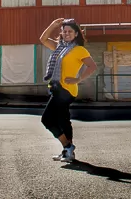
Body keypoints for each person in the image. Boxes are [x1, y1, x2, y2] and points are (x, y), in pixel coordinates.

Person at [39, 17, 97, 163]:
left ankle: (68, 146)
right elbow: (43, 39)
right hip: (55, 87)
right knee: (63, 120)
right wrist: (53, 24)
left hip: (66, 90)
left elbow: (92, 66)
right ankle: (68, 152)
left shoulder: (79, 50)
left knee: (47, 119)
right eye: (64, 31)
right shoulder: (59, 47)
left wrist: (78, 79)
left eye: (70, 31)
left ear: (76, 33)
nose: (67, 33)